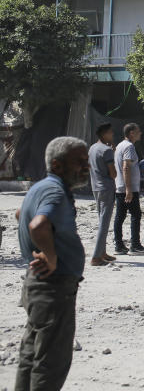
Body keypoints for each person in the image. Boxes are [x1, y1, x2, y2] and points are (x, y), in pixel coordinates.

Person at [15, 136, 89, 391]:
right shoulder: (55, 190)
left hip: (39, 287)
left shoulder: (42, 187)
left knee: (31, 356)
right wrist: (51, 254)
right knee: (50, 363)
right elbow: (38, 224)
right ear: (57, 165)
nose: (86, 167)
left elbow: (20, 214)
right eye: (79, 162)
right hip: (52, 288)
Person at [113, 123, 144, 255]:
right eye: (138, 131)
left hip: (120, 186)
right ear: (131, 133)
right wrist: (129, 189)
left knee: (120, 216)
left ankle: (119, 245)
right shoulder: (129, 146)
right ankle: (135, 245)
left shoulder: (119, 145)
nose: (140, 133)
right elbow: (126, 167)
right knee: (136, 215)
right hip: (128, 188)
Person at [88, 123, 117, 267]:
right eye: (111, 133)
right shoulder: (106, 150)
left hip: (96, 188)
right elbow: (113, 173)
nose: (112, 135)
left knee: (102, 221)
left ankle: (102, 253)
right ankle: (95, 257)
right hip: (106, 188)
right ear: (104, 134)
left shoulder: (92, 148)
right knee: (104, 224)